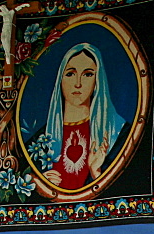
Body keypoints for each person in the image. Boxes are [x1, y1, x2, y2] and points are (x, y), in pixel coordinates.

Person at [30, 43, 128, 190]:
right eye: (70, 74)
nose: (78, 84)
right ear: (60, 80)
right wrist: (40, 185)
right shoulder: (42, 139)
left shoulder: (117, 132)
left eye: (88, 74)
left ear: (97, 81)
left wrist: (96, 173)